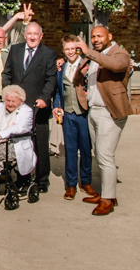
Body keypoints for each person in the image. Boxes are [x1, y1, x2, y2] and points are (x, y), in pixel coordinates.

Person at [79, 26, 131, 216]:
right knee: (99, 154)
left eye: (99, 36)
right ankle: (106, 193)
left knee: (105, 155)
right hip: (94, 110)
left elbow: (116, 66)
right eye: (93, 36)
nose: (95, 39)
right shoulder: (97, 54)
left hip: (109, 112)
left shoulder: (119, 53)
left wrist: (88, 52)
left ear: (110, 36)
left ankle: (108, 200)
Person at [2, 20, 57, 192]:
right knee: (21, 144)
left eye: (36, 34)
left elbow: (51, 80)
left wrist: (44, 98)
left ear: (41, 36)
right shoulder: (16, 50)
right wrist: (8, 95)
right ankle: (23, 178)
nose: (32, 37)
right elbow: (7, 74)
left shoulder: (48, 53)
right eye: (29, 34)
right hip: (17, 106)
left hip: (37, 105)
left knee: (39, 143)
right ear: (25, 35)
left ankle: (41, 180)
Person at [52, 34, 95, 201]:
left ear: (78, 49)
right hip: (68, 114)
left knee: (85, 149)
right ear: (63, 50)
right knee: (70, 150)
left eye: (73, 49)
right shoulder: (60, 68)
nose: (70, 52)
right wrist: (57, 105)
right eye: (67, 49)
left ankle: (86, 182)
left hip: (83, 113)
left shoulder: (87, 64)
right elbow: (58, 90)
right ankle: (70, 184)